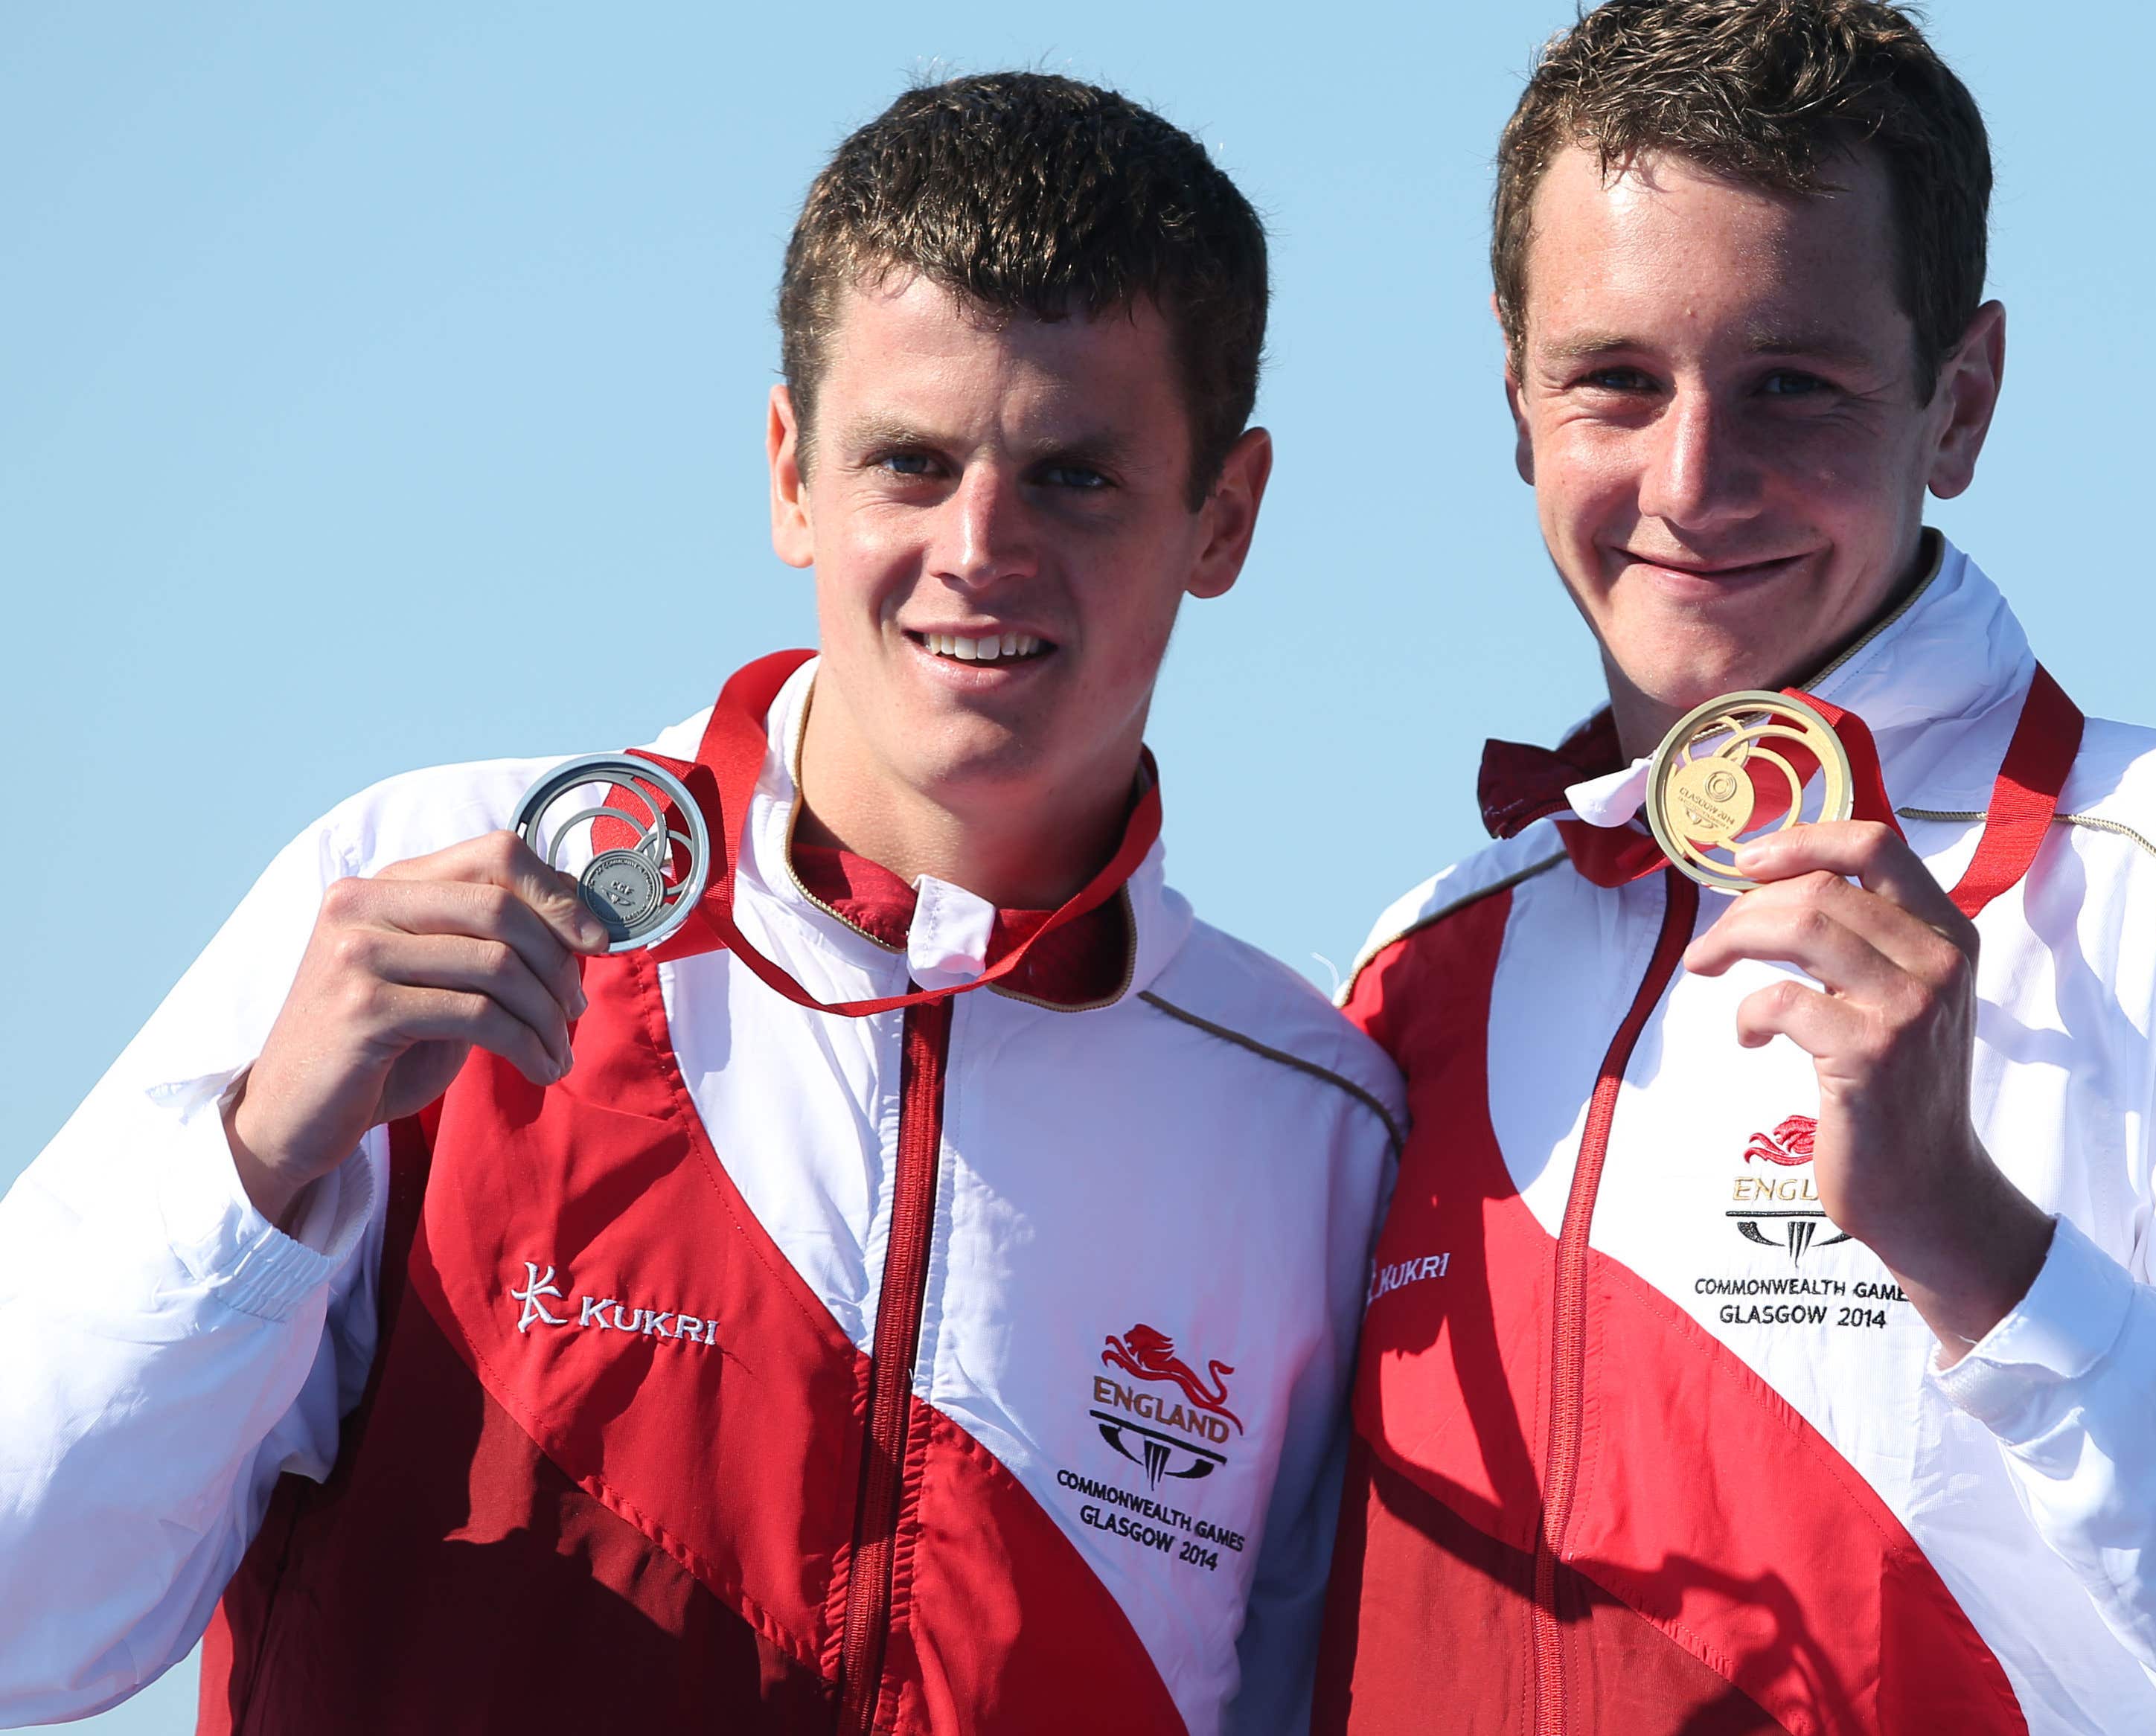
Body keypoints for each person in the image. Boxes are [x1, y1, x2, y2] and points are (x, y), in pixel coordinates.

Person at [0, 73, 1401, 1735]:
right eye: (910, 460)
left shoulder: (1310, 1121)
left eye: (1076, 476)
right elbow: (32, 1615)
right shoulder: (429, 899)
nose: (979, 547)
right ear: (792, 474)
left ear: (1221, 518)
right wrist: (253, 1162)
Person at [1309, 3, 2156, 1732]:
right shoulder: (1423, 960)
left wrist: (1978, 1248)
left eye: (1791, 387)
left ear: (1956, 401)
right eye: (1615, 380)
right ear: (1515, 399)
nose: (1691, 477)